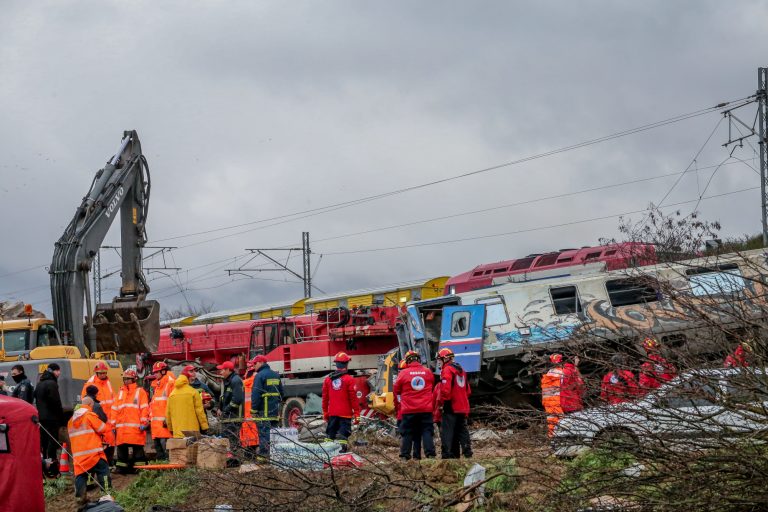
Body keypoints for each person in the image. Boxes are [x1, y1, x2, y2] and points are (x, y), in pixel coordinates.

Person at [393, 350, 436, 460]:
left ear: (407, 361)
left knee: (408, 432)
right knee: (427, 431)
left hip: (409, 410)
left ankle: (405, 456)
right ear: (418, 359)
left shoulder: (403, 373)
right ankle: (430, 454)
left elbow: (396, 391)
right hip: (426, 409)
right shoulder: (427, 372)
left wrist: (398, 406)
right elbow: (432, 386)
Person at [67, 396, 111, 502]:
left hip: (79, 456)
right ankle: (107, 492)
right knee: (103, 470)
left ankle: (80, 497)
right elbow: (103, 428)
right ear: (90, 405)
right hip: (93, 452)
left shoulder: (71, 421)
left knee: (81, 475)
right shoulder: (89, 415)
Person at [436, 348, 472, 459]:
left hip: (451, 405)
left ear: (445, 359)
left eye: (440, 360)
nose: (439, 362)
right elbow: (468, 391)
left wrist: (442, 403)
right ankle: (467, 452)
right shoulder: (462, 370)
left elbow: (445, 390)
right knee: (462, 430)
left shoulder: (447, 370)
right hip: (462, 406)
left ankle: (446, 454)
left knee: (447, 431)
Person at [112, 368, 149, 473]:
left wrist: (144, 423)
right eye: (125, 379)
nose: (126, 381)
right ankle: (121, 468)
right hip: (121, 429)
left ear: (134, 379)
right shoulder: (120, 393)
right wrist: (113, 425)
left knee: (138, 450)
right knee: (121, 451)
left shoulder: (140, 392)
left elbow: (144, 408)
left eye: (129, 379)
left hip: (135, 429)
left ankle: (139, 469)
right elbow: (114, 410)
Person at [322, 352, 360, 453]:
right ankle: (342, 454)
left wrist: (325, 412)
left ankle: (327, 455)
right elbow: (353, 399)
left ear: (336, 364)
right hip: (345, 415)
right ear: (347, 364)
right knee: (343, 437)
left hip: (332, 414)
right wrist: (357, 413)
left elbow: (325, 399)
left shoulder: (328, 380)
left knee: (330, 436)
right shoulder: (349, 380)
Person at [81, 362, 115, 464]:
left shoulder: (108, 383)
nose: (103, 375)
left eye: (105, 373)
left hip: (108, 419)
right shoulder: (90, 384)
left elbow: (113, 400)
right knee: (99, 443)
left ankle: (109, 463)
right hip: (97, 419)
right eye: (101, 373)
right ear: (96, 373)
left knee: (110, 442)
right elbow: (86, 402)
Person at [34, 363, 65, 478]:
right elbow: (56, 402)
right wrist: (62, 419)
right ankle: (53, 468)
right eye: (57, 371)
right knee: (53, 443)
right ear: (52, 371)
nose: (59, 373)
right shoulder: (52, 384)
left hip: (41, 418)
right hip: (51, 418)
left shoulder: (40, 383)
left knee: (44, 443)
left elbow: (36, 399)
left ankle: (43, 468)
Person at [250, 355, 283, 458]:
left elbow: (256, 394)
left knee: (264, 433)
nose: (253, 366)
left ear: (261, 363)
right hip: (274, 411)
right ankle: (275, 455)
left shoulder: (259, 376)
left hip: (263, 411)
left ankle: (264, 457)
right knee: (273, 433)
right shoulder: (276, 375)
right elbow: (281, 393)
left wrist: (253, 410)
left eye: (255, 363)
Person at [166, 371, 209, 438]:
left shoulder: (172, 394)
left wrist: (171, 429)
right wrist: (204, 426)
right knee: (192, 448)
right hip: (192, 432)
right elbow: (199, 412)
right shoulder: (193, 392)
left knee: (180, 448)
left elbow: (168, 414)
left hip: (177, 433)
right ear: (187, 380)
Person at [149, 361, 175, 460]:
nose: (155, 374)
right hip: (156, 426)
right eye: (154, 372)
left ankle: (169, 472)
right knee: (159, 451)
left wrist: (168, 419)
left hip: (164, 425)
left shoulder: (170, 384)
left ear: (163, 371)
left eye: (157, 372)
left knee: (167, 451)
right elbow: (154, 404)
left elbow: (172, 404)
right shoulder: (157, 385)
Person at [217, 360, 244, 453]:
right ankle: (231, 457)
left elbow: (237, 399)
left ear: (228, 370)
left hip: (234, 416)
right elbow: (224, 397)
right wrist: (220, 408)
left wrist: (225, 410)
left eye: (222, 370)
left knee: (232, 439)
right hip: (229, 415)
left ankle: (234, 458)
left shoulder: (235, 380)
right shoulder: (227, 381)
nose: (221, 372)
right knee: (228, 438)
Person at [541, 354, 565, 438]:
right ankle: (562, 437)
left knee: (551, 419)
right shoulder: (560, 372)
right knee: (561, 420)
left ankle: (552, 437)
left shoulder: (549, 373)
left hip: (547, 401)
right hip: (555, 400)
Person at [239, 359, 260, 454]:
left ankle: (250, 453)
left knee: (250, 437)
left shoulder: (247, 382)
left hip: (248, 414)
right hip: (253, 413)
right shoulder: (257, 379)